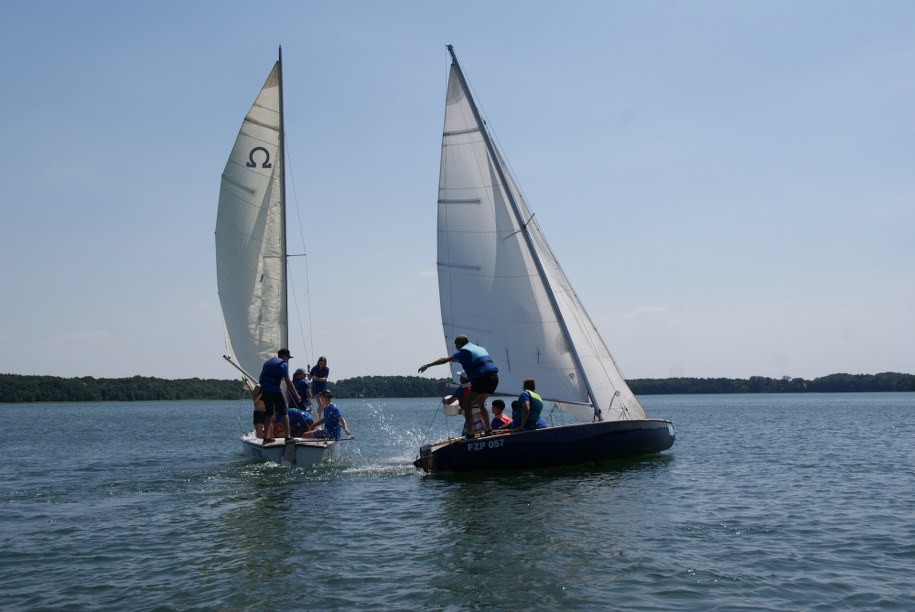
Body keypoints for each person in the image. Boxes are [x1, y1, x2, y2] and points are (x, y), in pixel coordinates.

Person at [419, 335, 499, 438]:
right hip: (494, 378)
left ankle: (470, 433)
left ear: (459, 344)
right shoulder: (480, 348)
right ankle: (488, 429)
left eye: (456, 345)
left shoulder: (464, 351)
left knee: (467, 404)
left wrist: (429, 365)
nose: (456, 347)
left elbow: (445, 359)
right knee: (480, 402)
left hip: (482, 379)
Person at [258, 348, 301, 444]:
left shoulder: (267, 363)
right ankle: (288, 437)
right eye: (288, 358)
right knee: (284, 412)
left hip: (265, 390)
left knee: (269, 413)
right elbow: (288, 381)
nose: (287, 360)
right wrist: (297, 395)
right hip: (274, 390)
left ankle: (267, 438)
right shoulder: (283, 364)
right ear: (285, 356)